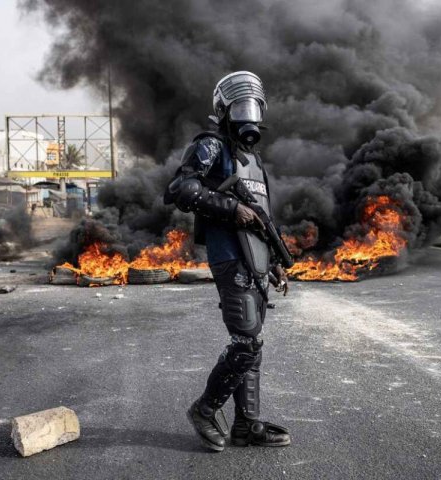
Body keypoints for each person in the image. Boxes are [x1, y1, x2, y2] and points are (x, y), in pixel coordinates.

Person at [164, 71, 291, 452]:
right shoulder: (211, 146)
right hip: (229, 260)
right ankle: (205, 410)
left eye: (253, 107)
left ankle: (246, 426)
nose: (247, 115)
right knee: (245, 343)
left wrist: (274, 263)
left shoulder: (254, 163)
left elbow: (262, 220)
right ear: (223, 110)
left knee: (254, 344)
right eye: (240, 107)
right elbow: (179, 190)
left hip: (255, 263)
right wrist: (231, 207)